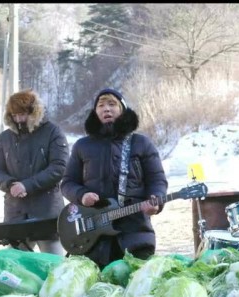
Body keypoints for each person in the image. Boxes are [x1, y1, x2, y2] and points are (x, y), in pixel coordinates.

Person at [60, 88, 168, 268]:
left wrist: (155, 200)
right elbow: (67, 183)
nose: (106, 109)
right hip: (93, 236)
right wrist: (82, 195)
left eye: (112, 104)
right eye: (101, 106)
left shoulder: (141, 143)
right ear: (95, 113)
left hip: (135, 232)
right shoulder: (82, 146)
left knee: (135, 284)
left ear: (123, 110)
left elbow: (157, 179)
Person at [0, 89, 69, 255]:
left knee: (53, 263)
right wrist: (9, 184)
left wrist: (27, 185)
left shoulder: (53, 132)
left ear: (33, 112)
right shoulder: (5, 138)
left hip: (47, 211)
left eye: (22, 114)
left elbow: (59, 167)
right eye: (14, 115)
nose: (19, 120)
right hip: (15, 212)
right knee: (15, 269)